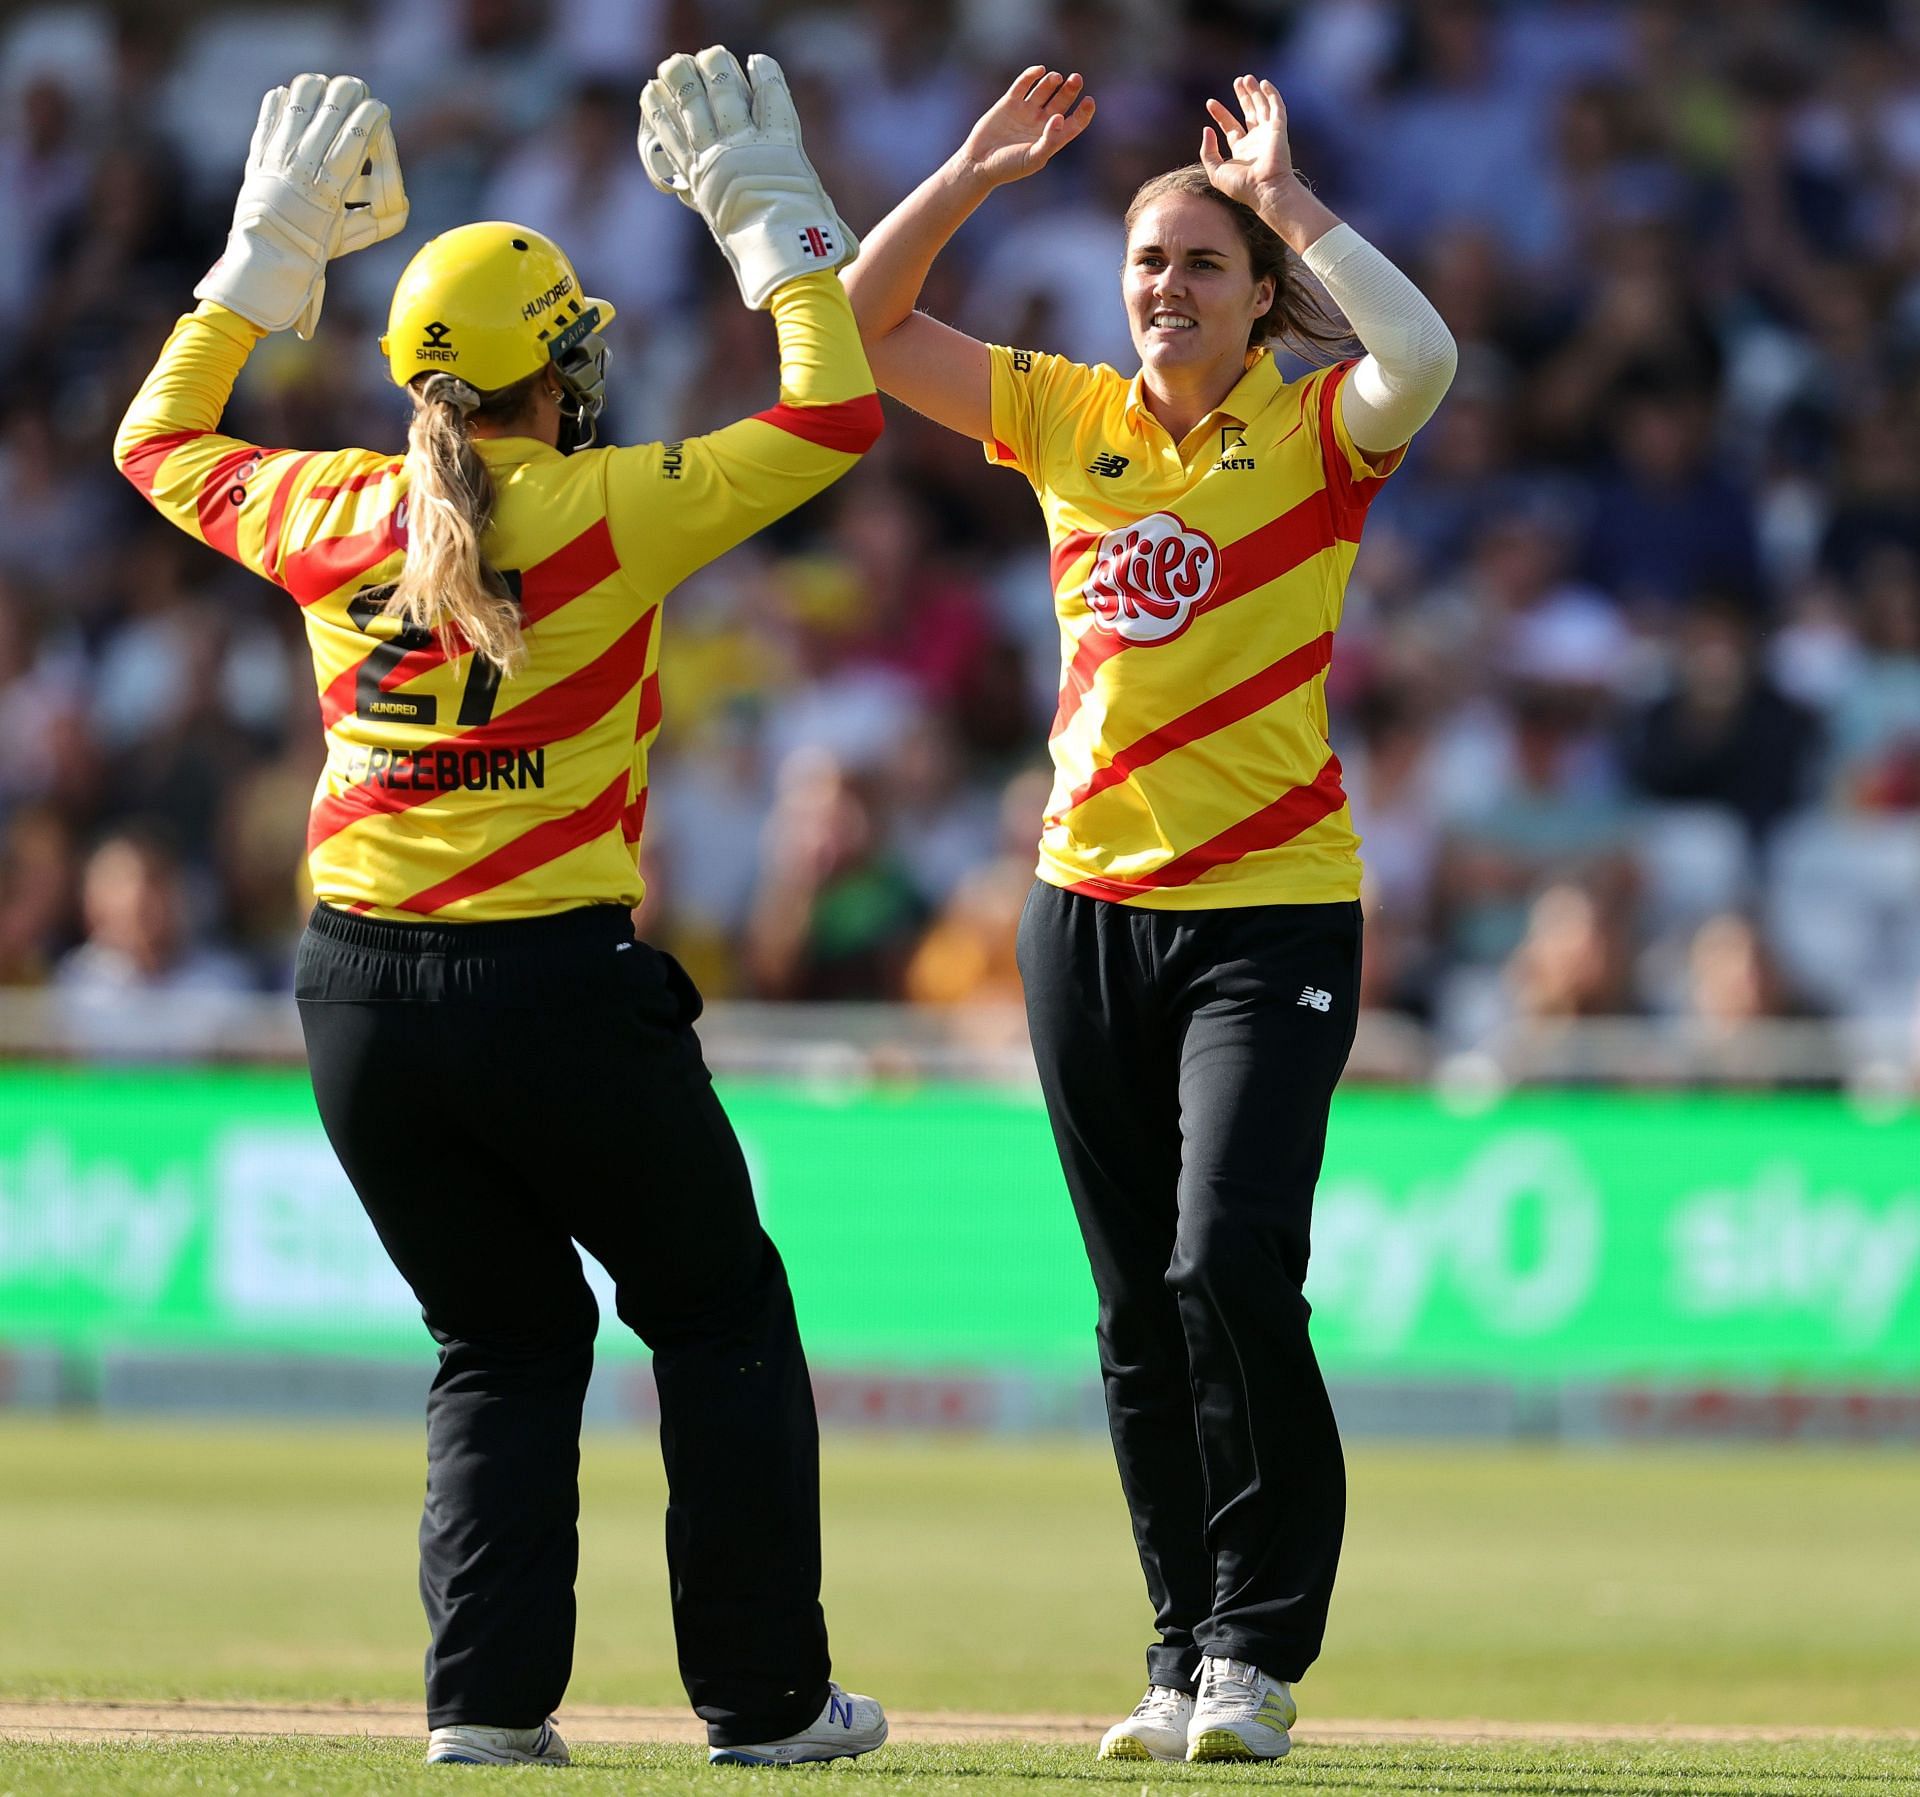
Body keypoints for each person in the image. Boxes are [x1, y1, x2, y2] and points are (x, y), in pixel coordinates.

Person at [114, 57, 889, 1769]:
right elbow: (836, 417)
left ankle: (486, 1708)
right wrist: (777, 232)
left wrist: (261, 263)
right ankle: (763, 1704)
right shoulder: (614, 506)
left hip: (358, 1005)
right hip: (551, 987)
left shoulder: (335, 507)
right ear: (568, 370)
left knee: (502, 1339)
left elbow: (153, 438)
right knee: (716, 1309)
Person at [843, 68, 1456, 1763]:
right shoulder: (1063, 411)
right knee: (1130, 1307)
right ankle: (1179, 1647)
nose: (1164, 287)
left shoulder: (1320, 425)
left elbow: (1432, 363)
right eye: (1144, 262)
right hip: (1082, 910)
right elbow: (863, 326)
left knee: (1222, 1262)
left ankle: (1259, 1643)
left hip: (1272, 914)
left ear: (1262, 291)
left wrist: (1292, 198)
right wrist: (967, 168)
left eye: (1201, 260)